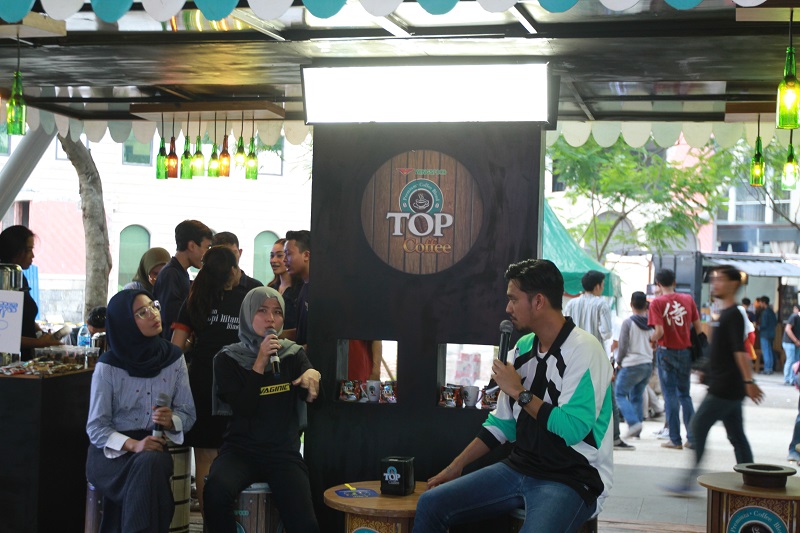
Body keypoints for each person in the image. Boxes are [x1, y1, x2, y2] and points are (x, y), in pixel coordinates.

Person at [413, 259, 613, 533]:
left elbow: (572, 429)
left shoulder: (585, 349)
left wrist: (519, 391)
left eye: (513, 299)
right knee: (431, 503)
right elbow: (502, 424)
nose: (507, 308)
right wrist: (456, 467)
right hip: (520, 467)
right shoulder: (522, 348)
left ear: (538, 301)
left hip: (574, 478)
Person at [203, 286, 321, 533]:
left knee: (305, 522)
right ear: (247, 314)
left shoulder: (292, 354)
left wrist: (313, 375)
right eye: (262, 311)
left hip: (282, 452)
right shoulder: (228, 359)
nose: (271, 319)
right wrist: (260, 362)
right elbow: (243, 408)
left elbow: (309, 389)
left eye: (277, 312)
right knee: (215, 490)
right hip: (240, 451)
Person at [85, 289, 196, 533]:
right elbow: (96, 427)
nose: (153, 314)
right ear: (125, 322)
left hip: (153, 444)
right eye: (142, 312)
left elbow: (188, 414)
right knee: (150, 467)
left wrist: (171, 420)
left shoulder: (173, 358)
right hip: (111, 453)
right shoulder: (108, 366)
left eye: (153, 306)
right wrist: (134, 445)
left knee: (151, 461)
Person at [665, 265, 763, 494]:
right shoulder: (723, 314)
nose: (715, 283)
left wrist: (749, 382)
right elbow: (721, 349)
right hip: (726, 385)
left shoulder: (734, 314)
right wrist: (706, 369)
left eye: (720, 279)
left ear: (733, 284)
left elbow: (739, 351)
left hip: (725, 387)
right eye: (714, 279)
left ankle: (688, 481)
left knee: (698, 425)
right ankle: (753, 480)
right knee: (737, 436)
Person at [171, 246, 245, 513]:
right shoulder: (246, 301)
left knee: (204, 456)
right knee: (235, 454)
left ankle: (209, 523)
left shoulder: (195, 299)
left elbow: (175, 348)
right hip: (237, 383)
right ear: (232, 271)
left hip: (201, 382)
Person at [563, 270, 632, 450]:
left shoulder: (572, 304)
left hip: (573, 356)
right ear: (597, 286)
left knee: (575, 397)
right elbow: (606, 333)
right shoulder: (601, 304)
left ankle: (576, 437)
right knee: (607, 398)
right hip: (595, 357)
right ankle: (614, 438)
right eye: (602, 284)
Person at [648, 268, 701, 450]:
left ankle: (675, 439)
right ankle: (693, 438)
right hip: (685, 352)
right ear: (674, 282)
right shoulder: (688, 299)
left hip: (666, 352)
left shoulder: (657, 303)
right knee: (685, 395)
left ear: (658, 284)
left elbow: (659, 332)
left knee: (670, 395)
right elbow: (698, 328)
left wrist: (651, 340)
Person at [0, 225, 61, 359]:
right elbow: (4, 337)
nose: (32, 256)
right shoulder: (4, 279)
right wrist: (40, 343)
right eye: (28, 250)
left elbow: (24, 317)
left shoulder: (20, 278)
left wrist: (40, 333)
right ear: (13, 250)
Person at [153, 220, 213, 339]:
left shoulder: (180, 272)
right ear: (191, 246)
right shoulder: (170, 274)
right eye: (207, 248)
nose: (207, 254)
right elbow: (172, 317)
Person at [615, 291, 654, 439]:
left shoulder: (628, 323)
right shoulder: (651, 324)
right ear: (645, 305)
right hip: (647, 364)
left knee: (619, 394)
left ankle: (633, 423)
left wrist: (619, 362)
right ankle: (636, 431)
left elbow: (623, 346)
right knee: (637, 396)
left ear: (631, 304)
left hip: (631, 364)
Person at [267, 238, 303, 330]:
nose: (273, 260)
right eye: (272, 256)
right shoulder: (270, 289)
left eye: (279, 256)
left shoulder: (301, 290)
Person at [282, 230, 310, 347]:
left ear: (306, 255)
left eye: (288, 254)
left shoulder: (322, 291)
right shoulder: (304, 287)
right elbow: (300, 333)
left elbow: (323, 339)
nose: (284, 260)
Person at [756, 297, 776, 375]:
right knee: (770, 351)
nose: (760, 304)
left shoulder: (765, 313)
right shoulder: (772, 311)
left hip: (765, 334)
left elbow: (763, 325)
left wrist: (758, 327)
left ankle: (767, 369)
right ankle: (770, 368)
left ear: (764, 302)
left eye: (761, 303)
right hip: (772, 333)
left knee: (766, 351)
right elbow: (775, 322)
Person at [783, 305, 800, 386]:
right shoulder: (794, 316)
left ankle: (793, 379)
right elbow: (788, 329)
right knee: (791, 360)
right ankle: (788, 379)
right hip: (789, 342)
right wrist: (796, 340)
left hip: (796, 342)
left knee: (796, 361)